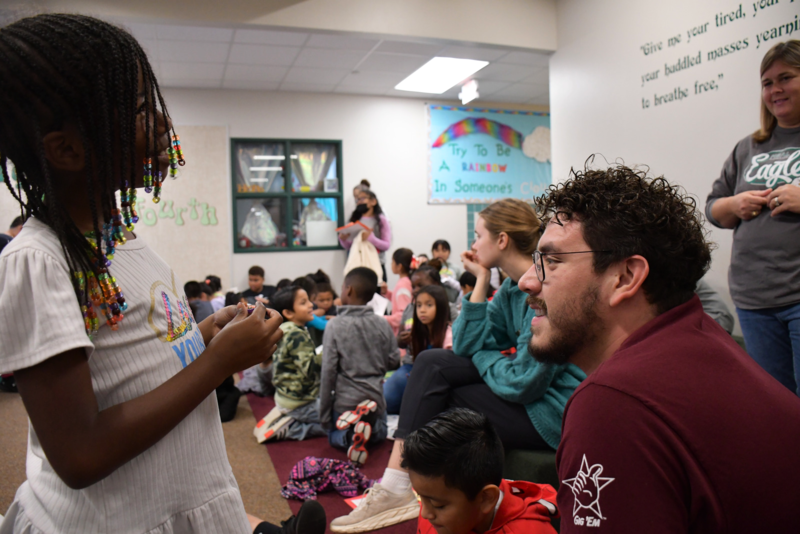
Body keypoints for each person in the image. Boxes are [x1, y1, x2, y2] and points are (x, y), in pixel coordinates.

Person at [0, 14, 286, 534]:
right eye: (136, 108)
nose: (159, 121)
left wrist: (205, 335)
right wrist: (218, 362)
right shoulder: (38, 261)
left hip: (178, 494)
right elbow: (80, 453)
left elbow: (134, 365)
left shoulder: (124, 239)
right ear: (66, 149)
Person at [525, 162, 800, 533]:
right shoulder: (701, 339)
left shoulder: (614, 403)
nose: (527, 281)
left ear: (625, 277)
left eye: (552, 261)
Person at [331, 199, 585, 533]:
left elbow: (523, 382)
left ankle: (399, 486)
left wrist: (485, 356)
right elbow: (465, 344)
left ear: (502, 240)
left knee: (437, 384)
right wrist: (481, 279)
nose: (473, 245)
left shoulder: (541, 289)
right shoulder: (511, 288)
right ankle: (411, 487)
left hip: (552, 412)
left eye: (478, 236)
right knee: (432, 366)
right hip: (531, 399)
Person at [706, 40, 800, 395]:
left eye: (785, 78)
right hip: (754, 299)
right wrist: (735, 205)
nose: (775, 90)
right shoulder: (749, 147)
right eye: (767, 83)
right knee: (776, 402)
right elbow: (713, 207)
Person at [402, 408, 558, 534]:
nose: (425, 514)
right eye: (420, 497)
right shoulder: (435, 496)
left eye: (439, 505)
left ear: (486, 498)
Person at [320, 267, 400, 465]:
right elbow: (394, 361)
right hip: (375, 398)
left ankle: (348, 437)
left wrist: (325, 416)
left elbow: (328, 373)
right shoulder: (382, 324)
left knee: (331, 434)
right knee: (380, 434)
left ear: (348, 290)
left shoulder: (334, 326)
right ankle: (370, 426)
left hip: (346, 402)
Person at [254, 287, 325, 443]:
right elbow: (311, 369)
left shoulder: (285, 329)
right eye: (303, 302)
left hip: (286, 396)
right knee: (339, 422)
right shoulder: (296, 334)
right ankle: (294, 428)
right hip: (301, 402)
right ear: (288, 313)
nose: (311, 305)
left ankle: (286, 414)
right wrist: (328, 352)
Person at [384, 285, 453, 415]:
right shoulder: (417, 333)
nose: (422, 310)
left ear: (441, 307)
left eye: (429, 305)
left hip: (438, 379)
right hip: (415, 372)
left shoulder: (449, 335)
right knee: (386, 400)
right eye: (419, 305)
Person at [340, 188, 392, 281]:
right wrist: (343, 240)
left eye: (363, 198)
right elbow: (350, 246)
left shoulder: (381, 220)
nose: (359, 202)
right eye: (358, 199)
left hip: (376, 264)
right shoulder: (354, 219)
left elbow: (386, 245)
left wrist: (371, 238)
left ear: (373, 201)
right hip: (358, 265)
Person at [385, 248, 414, 336]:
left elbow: (403, 315)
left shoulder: (402, 285)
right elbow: (399, 300)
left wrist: (384, 319)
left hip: (401, 333)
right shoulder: (406, 281)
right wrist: (386, 293)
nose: (391, 264)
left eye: (392, 262)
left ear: (399, 266)